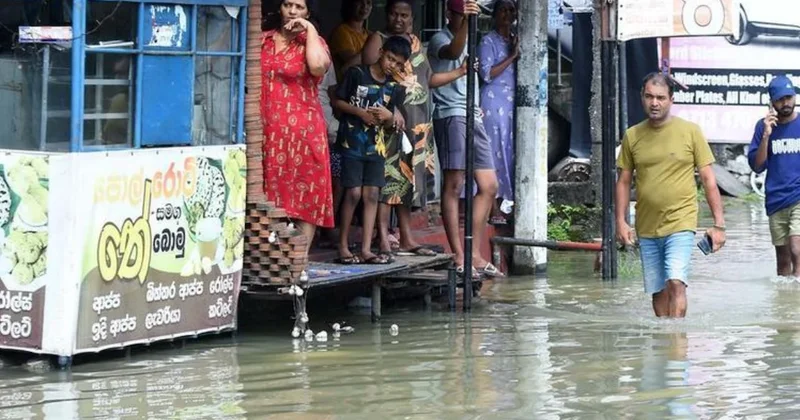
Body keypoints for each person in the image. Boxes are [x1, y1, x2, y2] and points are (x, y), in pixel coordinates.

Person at [361, 0, 469, 260]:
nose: (399, 19)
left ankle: (408, 238)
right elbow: (368, 77)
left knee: (410, 183)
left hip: (419, 124)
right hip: (389, 123)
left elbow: (428, 80)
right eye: (395, 14)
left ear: (412, 19)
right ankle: (384, 238)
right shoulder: (379, 39)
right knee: (389, 183)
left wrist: (460, 72)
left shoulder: (417, 43)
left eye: (405, 16)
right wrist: (390, 110)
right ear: (386, 15)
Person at [616, 72, 727, 318]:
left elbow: (709, 179)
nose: (654, 103)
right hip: (647, 226)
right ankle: (665, 345)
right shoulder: (632, 136)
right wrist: (621, 222)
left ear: (671, 99)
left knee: (676, 281)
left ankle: (677, 349)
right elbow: (623, 181)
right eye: (649, 97)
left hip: (681, 221)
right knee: (658, 291)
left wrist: (719, 224)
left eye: (660, 97)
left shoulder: (690, 132)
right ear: (642, 98)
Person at [428, 0, 503, 279]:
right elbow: (453, 51)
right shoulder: (441, 37)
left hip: (473, 114)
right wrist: (468, 22)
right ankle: (459, 253)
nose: (465, 19)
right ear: (451, 14)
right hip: (451, 114)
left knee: (489, 184)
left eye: (467, 15)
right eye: (461, 14)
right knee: (455, 182)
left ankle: (474, 252)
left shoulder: (472, 40)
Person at [261, 0, 333, 253]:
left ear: (308, 12)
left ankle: (298, 262)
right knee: (268, 196)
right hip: (267, 131)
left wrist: (310, 30)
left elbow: (316, 67)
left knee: (306, 197)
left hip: (304, 131)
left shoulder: (315, 43)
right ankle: (272, 261)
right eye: (288, 5)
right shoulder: (263, 40)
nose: (292, 11)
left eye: (299, 7)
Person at [332, 36, 410, 264]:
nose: (391, 65)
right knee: (353, 193)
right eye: (390, 59)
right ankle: (343, 245)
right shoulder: (357, 74)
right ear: (381, 52)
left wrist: (389, 117)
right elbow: (337, 101)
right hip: (351, 144)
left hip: (376, 148)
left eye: (397, 63)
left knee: (372, 195)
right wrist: (360, 113)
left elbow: (390, 124)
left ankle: (366, 249)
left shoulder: (394, 87)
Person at [748, 75, 800, 277]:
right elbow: (758, 166)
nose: (785, 102)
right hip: (776, 199)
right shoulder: (763, 127)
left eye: (789, 97)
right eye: (780, 99)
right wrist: (766, 136)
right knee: (782, 261)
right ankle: (785, 305)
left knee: (797, 248)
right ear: (772, 102)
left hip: (799, 197)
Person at [478, 0, 519, 225]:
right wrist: (512, 56)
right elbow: (486, 73)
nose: (507, 14)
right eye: (503, 9)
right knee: (493, 152)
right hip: (493, 103)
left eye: (511, 10)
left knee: (509, 153)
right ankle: (492, 207)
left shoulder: (514, 39)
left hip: (512, 104)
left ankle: (506, 204)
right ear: (494, 14)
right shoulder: (488, 41)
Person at [329, 0, 373, 82]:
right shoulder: (341, 31)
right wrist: (372, 46)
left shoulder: (368, 34)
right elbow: (352, 63)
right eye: (360, 2)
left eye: (368, 2)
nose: (365, 6)